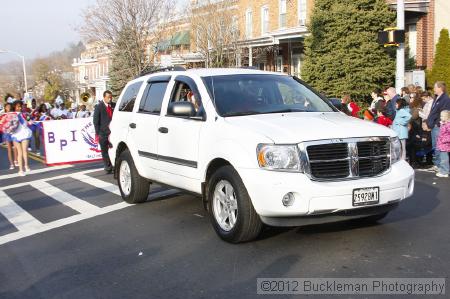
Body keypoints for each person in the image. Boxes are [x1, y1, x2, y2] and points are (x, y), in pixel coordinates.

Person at [426, 81, 450, 175]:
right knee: (435, 146)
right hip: (434, 125)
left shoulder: (445, 99)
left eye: (435, 87)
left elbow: (444, 113)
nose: (434, 89)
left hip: (439, 126)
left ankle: (442, 168)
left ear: (440, 88)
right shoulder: (437, 97)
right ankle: (438, 165)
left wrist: (437, 123)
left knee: (440, 147)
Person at [93, 90, 115, 173]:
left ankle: (114, 164)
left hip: (113, 132)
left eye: (111, 97)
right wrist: (98, 133)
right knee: (105, 151)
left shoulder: (114, 105)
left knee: (114, 149)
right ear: (104, 97)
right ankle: (108, 167)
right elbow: (96, 121)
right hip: (103, 133)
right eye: (108, 97)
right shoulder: (99, 107)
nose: (110, 99)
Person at [11, 101, 32, 176]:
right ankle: (20, 170)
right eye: (18, 106)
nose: (19, 108)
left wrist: (28, 118)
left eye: (21, 106)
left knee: (25, 150)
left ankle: (26, 165)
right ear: (14, 107)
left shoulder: (25, 114)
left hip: (24, 133)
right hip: (16, 135)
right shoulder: (12, 115)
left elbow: (30, 122)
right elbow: (8, 125)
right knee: (19, 152)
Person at [0, 103, 18, 169]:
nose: (9, 108)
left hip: (14, 133)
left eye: (10, 106)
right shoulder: (3, 115)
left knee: (15, 147)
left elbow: (17, 122)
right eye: (7, 107)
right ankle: (11, 164)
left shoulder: (14, 114)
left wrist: (13, 128)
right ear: (5, 108)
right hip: (6, 133)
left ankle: (16, 160)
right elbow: (1, 124)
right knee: (9, 149)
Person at [436, 110, 450, 177]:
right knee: (442, 158)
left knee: (444, 159)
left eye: (442, 116)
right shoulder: (443, 124)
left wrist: (444, 140)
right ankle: (444, 170)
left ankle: (444, 172)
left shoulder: (448, 125)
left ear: (447, 117)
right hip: (442, 145)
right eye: (440, 115)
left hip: (445, 145)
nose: (440, 117)